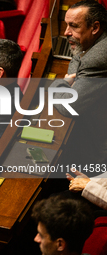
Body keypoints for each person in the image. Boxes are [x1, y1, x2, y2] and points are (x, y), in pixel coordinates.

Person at [49, 0, 107, 168]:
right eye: (67, 25)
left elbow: (69, 105)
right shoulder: (93, 45)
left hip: (98, 155)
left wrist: (58, 85)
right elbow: (77, 57)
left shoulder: (98, 57)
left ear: (95, 28)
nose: (67, 32)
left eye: (74, 26)